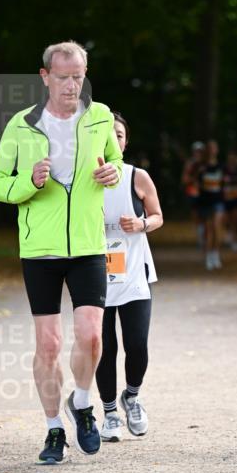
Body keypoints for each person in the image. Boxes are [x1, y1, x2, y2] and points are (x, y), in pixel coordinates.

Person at [0, 40, 123, 464]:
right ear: (45, 76)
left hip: (86, 244)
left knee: (92, 336)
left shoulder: (99, 116)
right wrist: (29, 181)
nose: (71, 85)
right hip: (40, 248)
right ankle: (53, 430)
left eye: (78, 77)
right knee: (48, 345)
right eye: (63, 77)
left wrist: (110, 173)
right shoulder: (22, 124)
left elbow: (115, 164)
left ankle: (81, 403)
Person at [96, 112, 163, 441]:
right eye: (108, 135)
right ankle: (109, 413)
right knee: (103, 347)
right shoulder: (83, 179)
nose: (115, 140)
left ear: (126, 141)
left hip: (135, 273)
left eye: (120, 135)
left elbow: (158, 216)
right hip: (94, 275)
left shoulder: (137, 177)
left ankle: (131, 397)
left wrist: (142, 225)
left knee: (136, 344)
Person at [197, 138, 225, 270]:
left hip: (219, 201)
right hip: (206, 202)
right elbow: (194, 181)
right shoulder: (201, 166)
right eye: (211, 147)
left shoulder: (221, 166)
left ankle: (216, 254)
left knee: (217, 228)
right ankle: (208, 256)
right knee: (209, 230)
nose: (213, 150)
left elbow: (224, 183)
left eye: (215, 147)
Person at [181, 142, 205, 248]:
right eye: (196, 151)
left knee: (206, 216)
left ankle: (205, 238)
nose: (198, 153)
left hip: (206, 194)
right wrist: (193, 180)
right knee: (197, 216)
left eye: (200, 151)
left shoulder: (206, 164)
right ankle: (201, 238)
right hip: (193, 193)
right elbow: (184, 179)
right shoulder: (190, 164)